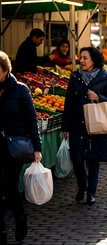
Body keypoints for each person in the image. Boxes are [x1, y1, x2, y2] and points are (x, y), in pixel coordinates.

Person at [61, 47, 107, 205]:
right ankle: (81, 186)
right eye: (81, 58)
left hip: (96, 125)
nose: (81, 61)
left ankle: (91, 192)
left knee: (93, 160)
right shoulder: (75, 76)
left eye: (85, 58)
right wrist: (65, 127)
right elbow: (68, 103)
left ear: (93, 59)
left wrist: (98, 96)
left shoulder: (104, 77)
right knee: (77, 158)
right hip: (77, 124)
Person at [0, 51, 42, 244]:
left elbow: (31, 120)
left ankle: (20, 218)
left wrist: (37, 148)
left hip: (14, 145)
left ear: (6, 70)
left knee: (9, 186)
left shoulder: (20, 89)